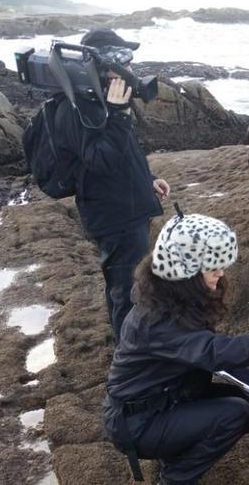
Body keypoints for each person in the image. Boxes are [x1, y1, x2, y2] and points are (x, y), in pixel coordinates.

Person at [103, 212, 249, 485]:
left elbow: (213, 352)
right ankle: (175, 478)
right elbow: (219, 352)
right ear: (186, 269)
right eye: (212, 265)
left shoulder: (172, 295)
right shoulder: (156, 320)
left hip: (170, 396)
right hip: (139, 422)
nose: (221, 272)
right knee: (233, 413)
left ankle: (176, 450)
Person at [54, 28, 170, 343]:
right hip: (114, 217)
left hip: (128, 207)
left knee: (124, 286)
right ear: (106, 65)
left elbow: (124, 153)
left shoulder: (100, 101)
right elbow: (100, 161)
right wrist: (118, 115)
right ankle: (127, 360)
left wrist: (149, 180)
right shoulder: (77, 108)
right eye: (125, 62)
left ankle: (128, 345)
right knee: (127, 290)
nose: (131, 70)